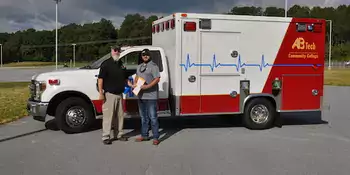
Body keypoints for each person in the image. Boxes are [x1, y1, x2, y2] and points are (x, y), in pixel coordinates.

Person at [98, 45, 133, 145]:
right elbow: (100, 79)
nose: (117, 52)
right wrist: (101, 93)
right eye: (115, 50)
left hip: (119, 94)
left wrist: (131, 85)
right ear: (111, 51)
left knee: (120, 116)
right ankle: (106, 136)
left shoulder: (121, 64)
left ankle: (119, 134)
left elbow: (125, 78)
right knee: (108, 117)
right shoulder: (106, 64)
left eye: (118, 50)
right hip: (109, 94)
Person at [132, 49, 161, 145]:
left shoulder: (154, 66)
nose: (145, 56)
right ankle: (144, 135)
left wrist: (147, 86)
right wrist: (135, 84)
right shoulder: (139, 66)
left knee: (153, 117)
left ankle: (156, 137)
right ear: (141, 56)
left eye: (147, 55)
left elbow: (157, 79)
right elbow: (137, 77)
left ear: (150, 56)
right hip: (141, 96)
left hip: (151, 96)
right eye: (143, 55)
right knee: (143, 117)